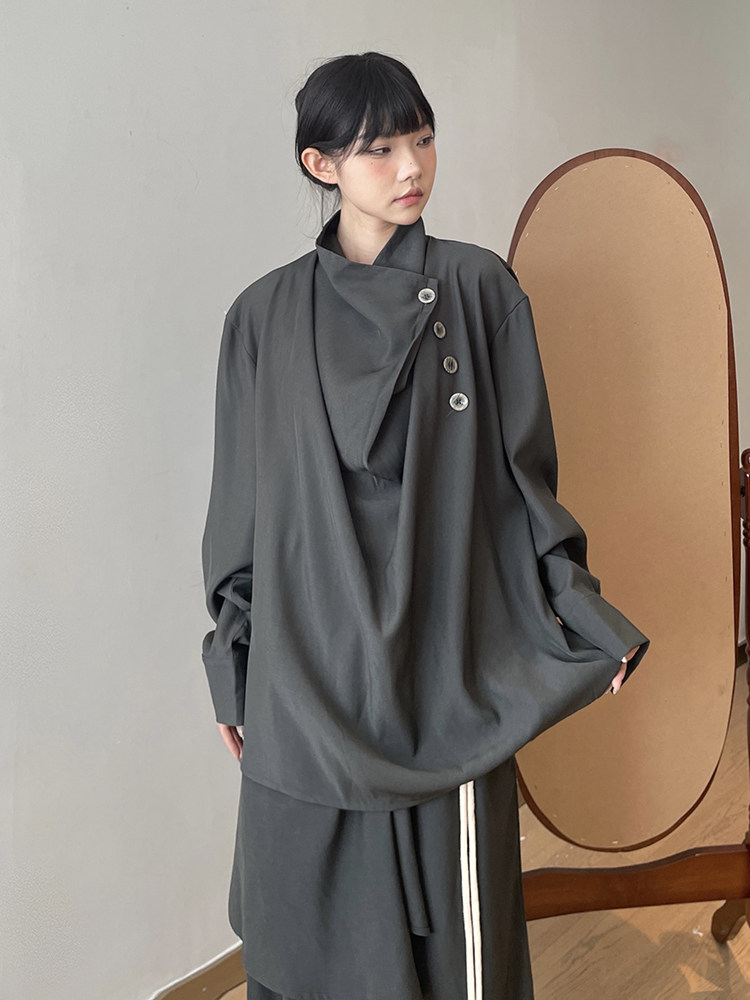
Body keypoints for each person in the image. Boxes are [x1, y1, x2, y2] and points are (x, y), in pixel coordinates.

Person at [200, 51, 649, 1000]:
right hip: (305, 678)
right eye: (380, 148)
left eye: (424, 139)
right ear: (322, 164)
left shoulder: (479, 290)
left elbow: (524, 484)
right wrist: (231, 662)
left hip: (446, 663)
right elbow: (241, 507)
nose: (412, 167)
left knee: (460, 951)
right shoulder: (262, 317)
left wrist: (580, 610)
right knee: (309, 937)